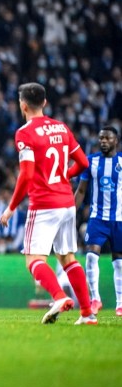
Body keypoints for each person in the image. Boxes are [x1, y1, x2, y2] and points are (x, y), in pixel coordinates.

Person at [0, 83, 94, 325]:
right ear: (44, 102)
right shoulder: (61, 128)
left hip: (44, 203)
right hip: (67, 203)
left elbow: (26, 174)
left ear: (22, 106)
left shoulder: (25, 133)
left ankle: (59, 297)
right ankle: (87, 313)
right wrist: (64, 175)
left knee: (33, 260)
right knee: (68, 258)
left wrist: (11, 208)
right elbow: (83, 163)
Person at [74, 126, 122, 317]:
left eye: (107, 138)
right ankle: (95, 299)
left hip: (119, 219)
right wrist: (71, 213)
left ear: (116, 141)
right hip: (97, 218)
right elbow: (81, 190)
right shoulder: (91, 161)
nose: (103, 141)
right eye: (101, 138)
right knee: (91, 256)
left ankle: (120, 303)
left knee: (119, 262)